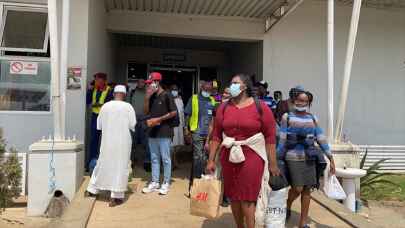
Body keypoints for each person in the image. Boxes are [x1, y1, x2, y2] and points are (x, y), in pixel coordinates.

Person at [206, 74, 280, 228]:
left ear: (244, 86)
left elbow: (270, 137)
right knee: (233, 195)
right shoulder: (223, 107)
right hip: (228, 155)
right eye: (231, 82)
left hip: (252, 156)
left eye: (235, 83)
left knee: (248, 197)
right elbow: (216, 136)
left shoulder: (261, 107)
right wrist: (211, 160)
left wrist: (273, 164)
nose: (231, 85)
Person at [277, 90, 336, 228]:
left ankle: (302, 223)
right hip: (292, 156)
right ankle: (288, 203)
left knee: (307, 190)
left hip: (309, 156)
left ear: (309, 103)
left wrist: (330, 157)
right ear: (294, 101)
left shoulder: (313, 118)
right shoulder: (287, 117)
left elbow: (320, 137)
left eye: (304, 101)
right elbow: (282, 139)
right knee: (297, 188)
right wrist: (276, 159)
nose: (301, 103)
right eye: (298, 100)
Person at [85, 85, 136, 207]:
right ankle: (115, 197)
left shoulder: (105, 106)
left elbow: (99, 126)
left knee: (102, 164)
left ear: (113, 94)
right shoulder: (128, 107)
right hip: (122, 143)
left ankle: (92, 190)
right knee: (120, 167)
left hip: (107, 142)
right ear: (124, 95)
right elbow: (132, 124)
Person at [142, 72, 178, 195]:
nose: (148, 86)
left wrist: (158, 119)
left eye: (150, 83)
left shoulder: (167, 95)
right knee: (154, 158)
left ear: (157, 83)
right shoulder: (151, 97)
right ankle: (155, 181)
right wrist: (147, 98)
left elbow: (173, 112)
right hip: (152, 132)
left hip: (164, 131)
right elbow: (146, 111)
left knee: (165, 159)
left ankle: (166, 182)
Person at [184, 80, 217, 193]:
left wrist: (209, 138)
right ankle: (195, 185)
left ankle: (203, 184)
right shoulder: (193, 98)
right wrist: (186, 130)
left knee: (206, 159)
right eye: (205, 89)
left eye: (209, 90)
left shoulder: (212, 101)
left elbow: (213, 120)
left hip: (208, 134)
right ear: (201, 88)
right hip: (196, 132)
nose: (207, 92)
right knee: (198, 158)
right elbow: (187, 115)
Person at [86, 72, 113, 170]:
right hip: (95, 117)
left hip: (106, 117)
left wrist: (97, 105)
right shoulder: (93, 89)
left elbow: (109, 104)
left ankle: (105, 163)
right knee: (93, 140)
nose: (96, 82)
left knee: (106, 140)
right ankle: (91, 163)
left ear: (104, 81)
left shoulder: (110, 90)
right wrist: (89, 90)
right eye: (95, 80)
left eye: (98, 80)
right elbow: (87, 101)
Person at [129, 79, 151, 172]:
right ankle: (130, 162)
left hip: (145, 121)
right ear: (137, 83)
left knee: (147, 143)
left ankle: (147, 162)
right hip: (133, 121)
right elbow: (128, 106)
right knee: (131, 143)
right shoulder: (131, 93)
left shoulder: (149, 93)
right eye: (140, 82)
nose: (141, 84)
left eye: (143, 82)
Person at [170, 84, 185, 169]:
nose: (174, 91)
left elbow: (182, 114)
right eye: (173, 89)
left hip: (179, 126)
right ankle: (173, 162)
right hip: (171, 126)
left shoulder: (180, 100)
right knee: (172, 145)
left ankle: (174, 160)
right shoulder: (168, 99)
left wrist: (184, 126)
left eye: (176, 89)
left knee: (178, 145)